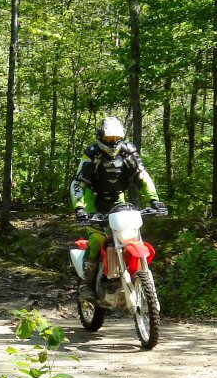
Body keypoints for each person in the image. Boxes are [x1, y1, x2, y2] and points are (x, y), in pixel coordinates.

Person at [69, 116, 167, 301]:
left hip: (117, 200)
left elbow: (142, 177)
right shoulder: (92, 154)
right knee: (97, 239)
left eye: (116, 139)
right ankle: (86, 285)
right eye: (108, 139)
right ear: (101, 137)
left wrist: (154, 200)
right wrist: (80, 208)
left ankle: (126, 274)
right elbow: (78, 183)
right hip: (93, 199)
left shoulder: (128, 153)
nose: (112, 143)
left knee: (127, 235)